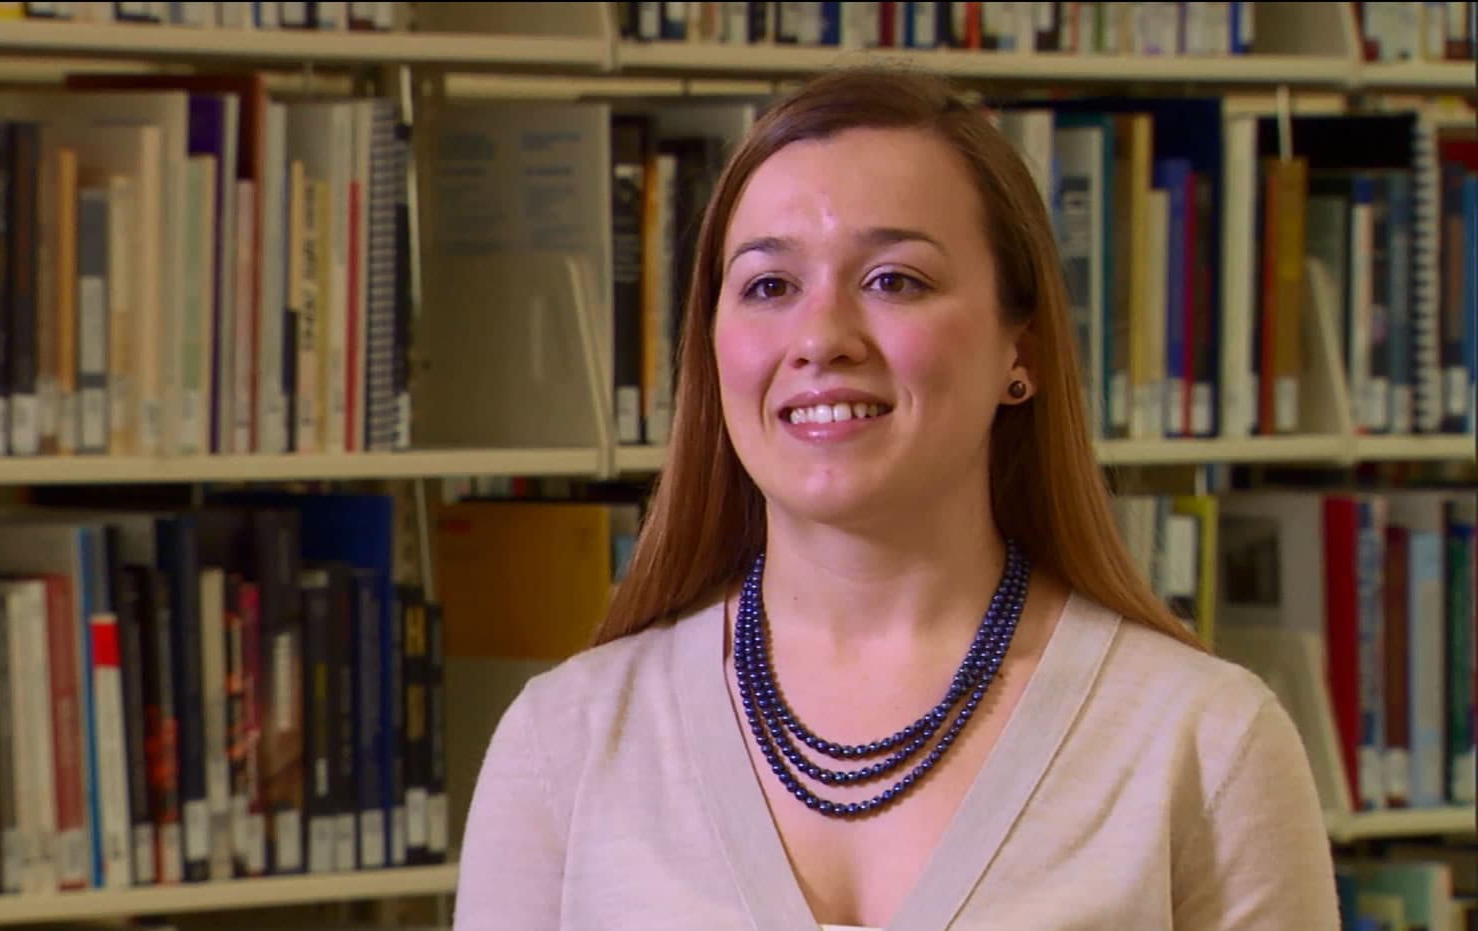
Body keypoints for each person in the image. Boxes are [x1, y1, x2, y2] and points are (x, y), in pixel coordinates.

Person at [451, 65, 1340, 930]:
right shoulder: (562, 744)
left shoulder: (1206, 745)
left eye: (894, 280)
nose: (821, 338)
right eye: (769, 285)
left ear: (1018, 349)